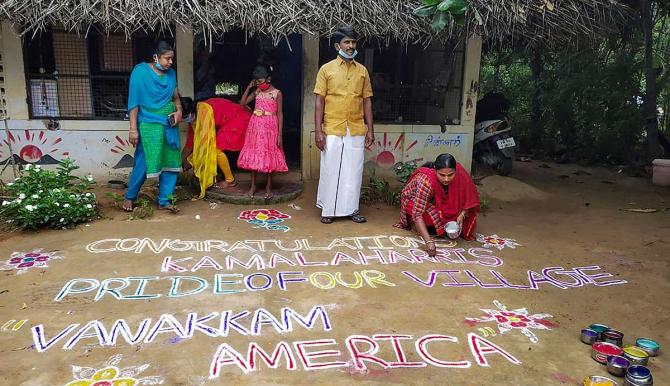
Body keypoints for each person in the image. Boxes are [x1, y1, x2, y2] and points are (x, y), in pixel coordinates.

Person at [314, 26, 374, 224]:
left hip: (356, 127)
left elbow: (367, 101)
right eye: (347, 42)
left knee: (353, 169)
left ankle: (351, 209)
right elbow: (319, 101)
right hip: (332, 126)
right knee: (331, 168)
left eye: (353, 42)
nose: (350, 46)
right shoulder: (326, 69)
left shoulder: (362, 71)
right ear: (337, 45)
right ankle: (328, 210)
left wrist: (370, 130)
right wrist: (318, 132)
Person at [123, 41, 183, 213]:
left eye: (172, 59)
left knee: (171, 161)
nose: (170, 63)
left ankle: (165, 200)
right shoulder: (140, 72)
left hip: (169, 125)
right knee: (144, 160)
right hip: (148, 124)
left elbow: (176, 98)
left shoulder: (171, 74)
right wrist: (133, 129)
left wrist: (178, 112)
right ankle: (130, 196)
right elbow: (134, 103)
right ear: (156, 57)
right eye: (167, 59)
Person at [393, 154, 480, 257]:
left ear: (455, 171)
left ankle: (437, 225)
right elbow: (417, 213)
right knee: (432, 218)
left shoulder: (460, 174)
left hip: (437, 201)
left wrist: (462, 214)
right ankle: (415, 226)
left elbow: (469, 198)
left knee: (453, 209)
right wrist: (429, 242)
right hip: (414, 201)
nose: (446, 179)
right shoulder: (426, 182)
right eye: (442, 175)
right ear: (435, 170)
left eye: (450, 175)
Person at [181, 97, 252, 197]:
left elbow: (204, 144)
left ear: (191, 111)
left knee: (215, 149)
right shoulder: (194, 119)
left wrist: (190, 160)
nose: (184, 119)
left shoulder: (204, 111)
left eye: (184, 116)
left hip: (238, 118)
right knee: (213, 148)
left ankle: (230, 180)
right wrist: (183, 160)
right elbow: (190, 143)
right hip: (230, 121)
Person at [237, 65, 288, 199]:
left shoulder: (277, 93)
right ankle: (253, 186)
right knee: (254, 154)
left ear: (269, 79)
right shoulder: (257, 91)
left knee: (269, 155)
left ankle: (268, 187)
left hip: (271, 127)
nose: (259, 84)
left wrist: (279, 134)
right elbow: (242, 104)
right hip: (255, 126)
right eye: (257, 82)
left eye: (260, 81)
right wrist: (249, 87)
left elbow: (280, 114)